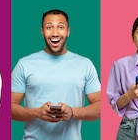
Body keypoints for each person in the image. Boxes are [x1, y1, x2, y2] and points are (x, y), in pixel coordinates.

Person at [11, 9, 101, 140]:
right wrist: (36, 112)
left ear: (68, 31)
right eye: (49, 27)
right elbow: (9, 107)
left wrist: (71, 112)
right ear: (42, 31)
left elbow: (99, 107)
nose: (55, 33)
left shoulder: (85, 64)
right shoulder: (24, 64)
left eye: (60, 27)